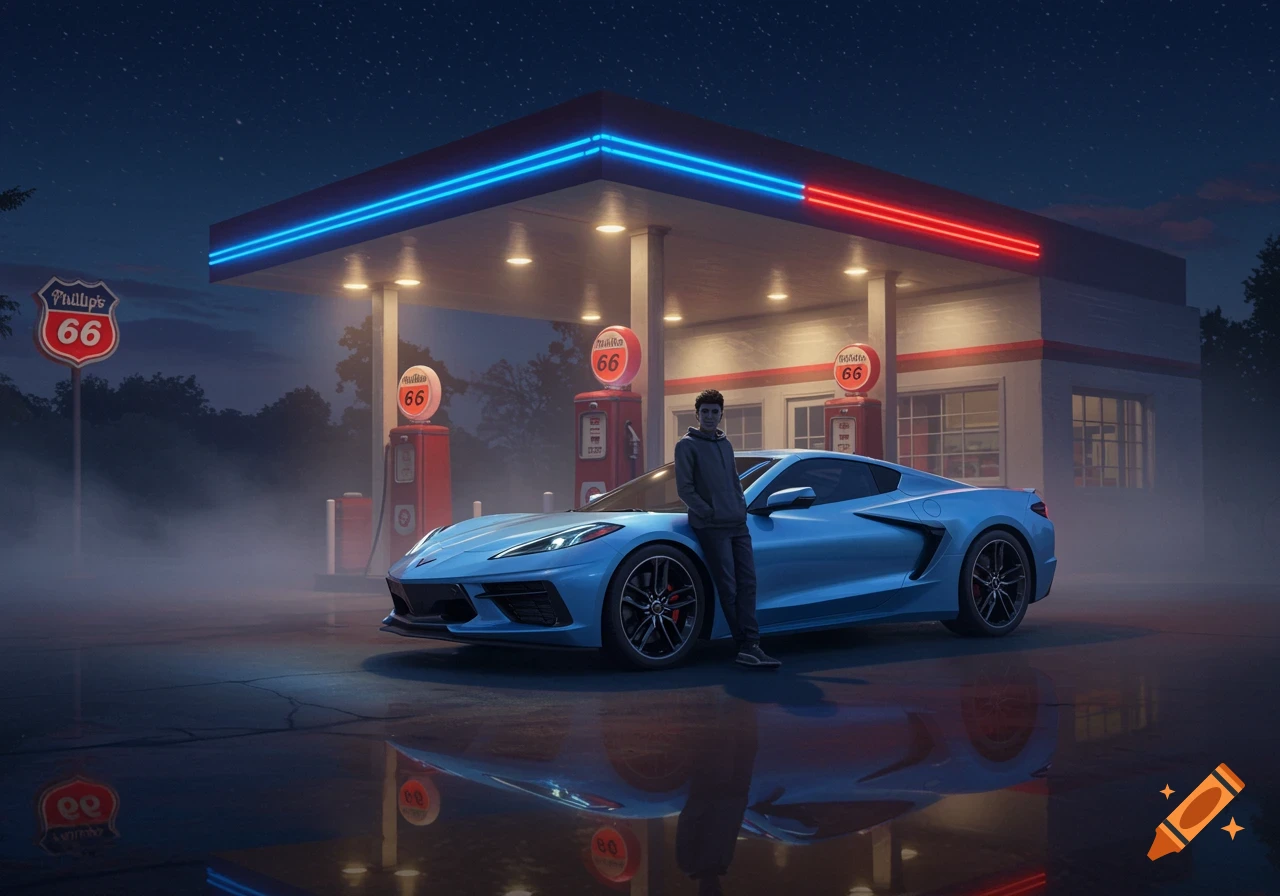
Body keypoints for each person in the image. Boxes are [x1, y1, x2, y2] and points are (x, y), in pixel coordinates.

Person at [674, 389, 780, 669]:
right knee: (728, 586)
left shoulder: (725, 443)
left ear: (722, 414)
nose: (710, 416)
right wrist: (709, 511)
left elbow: (734, 482)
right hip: (711, 527)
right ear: (696, 414)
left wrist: (739, 506)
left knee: (748, 583)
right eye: (705, 411)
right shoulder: (686, 445)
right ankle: (745, 644)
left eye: (714, 411)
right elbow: (685, 488)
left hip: (737, 523)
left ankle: (752, 644)